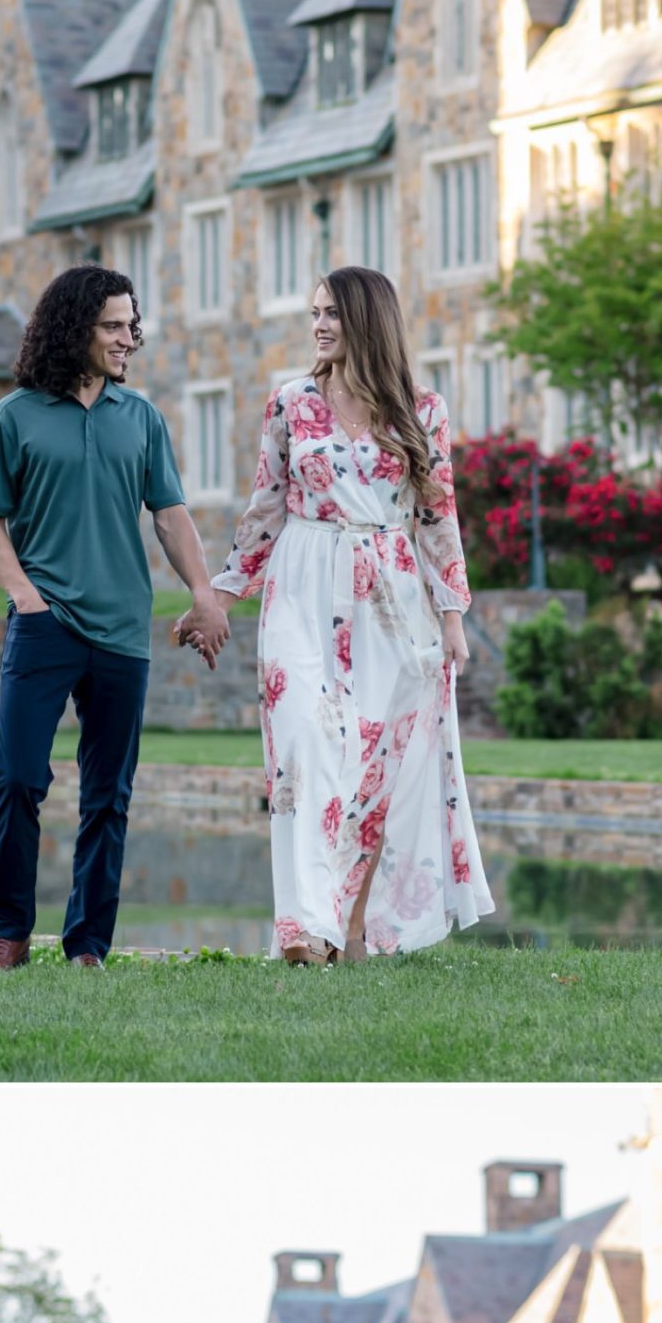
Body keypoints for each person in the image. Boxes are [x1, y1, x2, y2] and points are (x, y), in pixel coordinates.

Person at [203, 267, 494, 963]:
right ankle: (304, 927)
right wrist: (219, 593)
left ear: (367, 319)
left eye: (332, 312)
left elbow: (436, 514)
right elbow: (265, 510)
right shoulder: (290, 403)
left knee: (372, 769)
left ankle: (343, 930)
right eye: (314, 313)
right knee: (304, 745)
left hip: (391, 602)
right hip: (303, 585)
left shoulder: (423, 411)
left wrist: (452, 614)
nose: (320, 325)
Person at [0, 266, 231, 970]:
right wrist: (27, 597)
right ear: (74, 326)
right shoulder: (12, 417)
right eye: (113, 325)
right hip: (44, 623)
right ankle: (10, 932)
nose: (127, 338)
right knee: (19, 777)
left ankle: (88, 947)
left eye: (131, 324)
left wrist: (202, 592)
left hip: (122, 632)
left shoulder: (140, 417)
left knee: (108, 794)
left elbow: (170, 517)